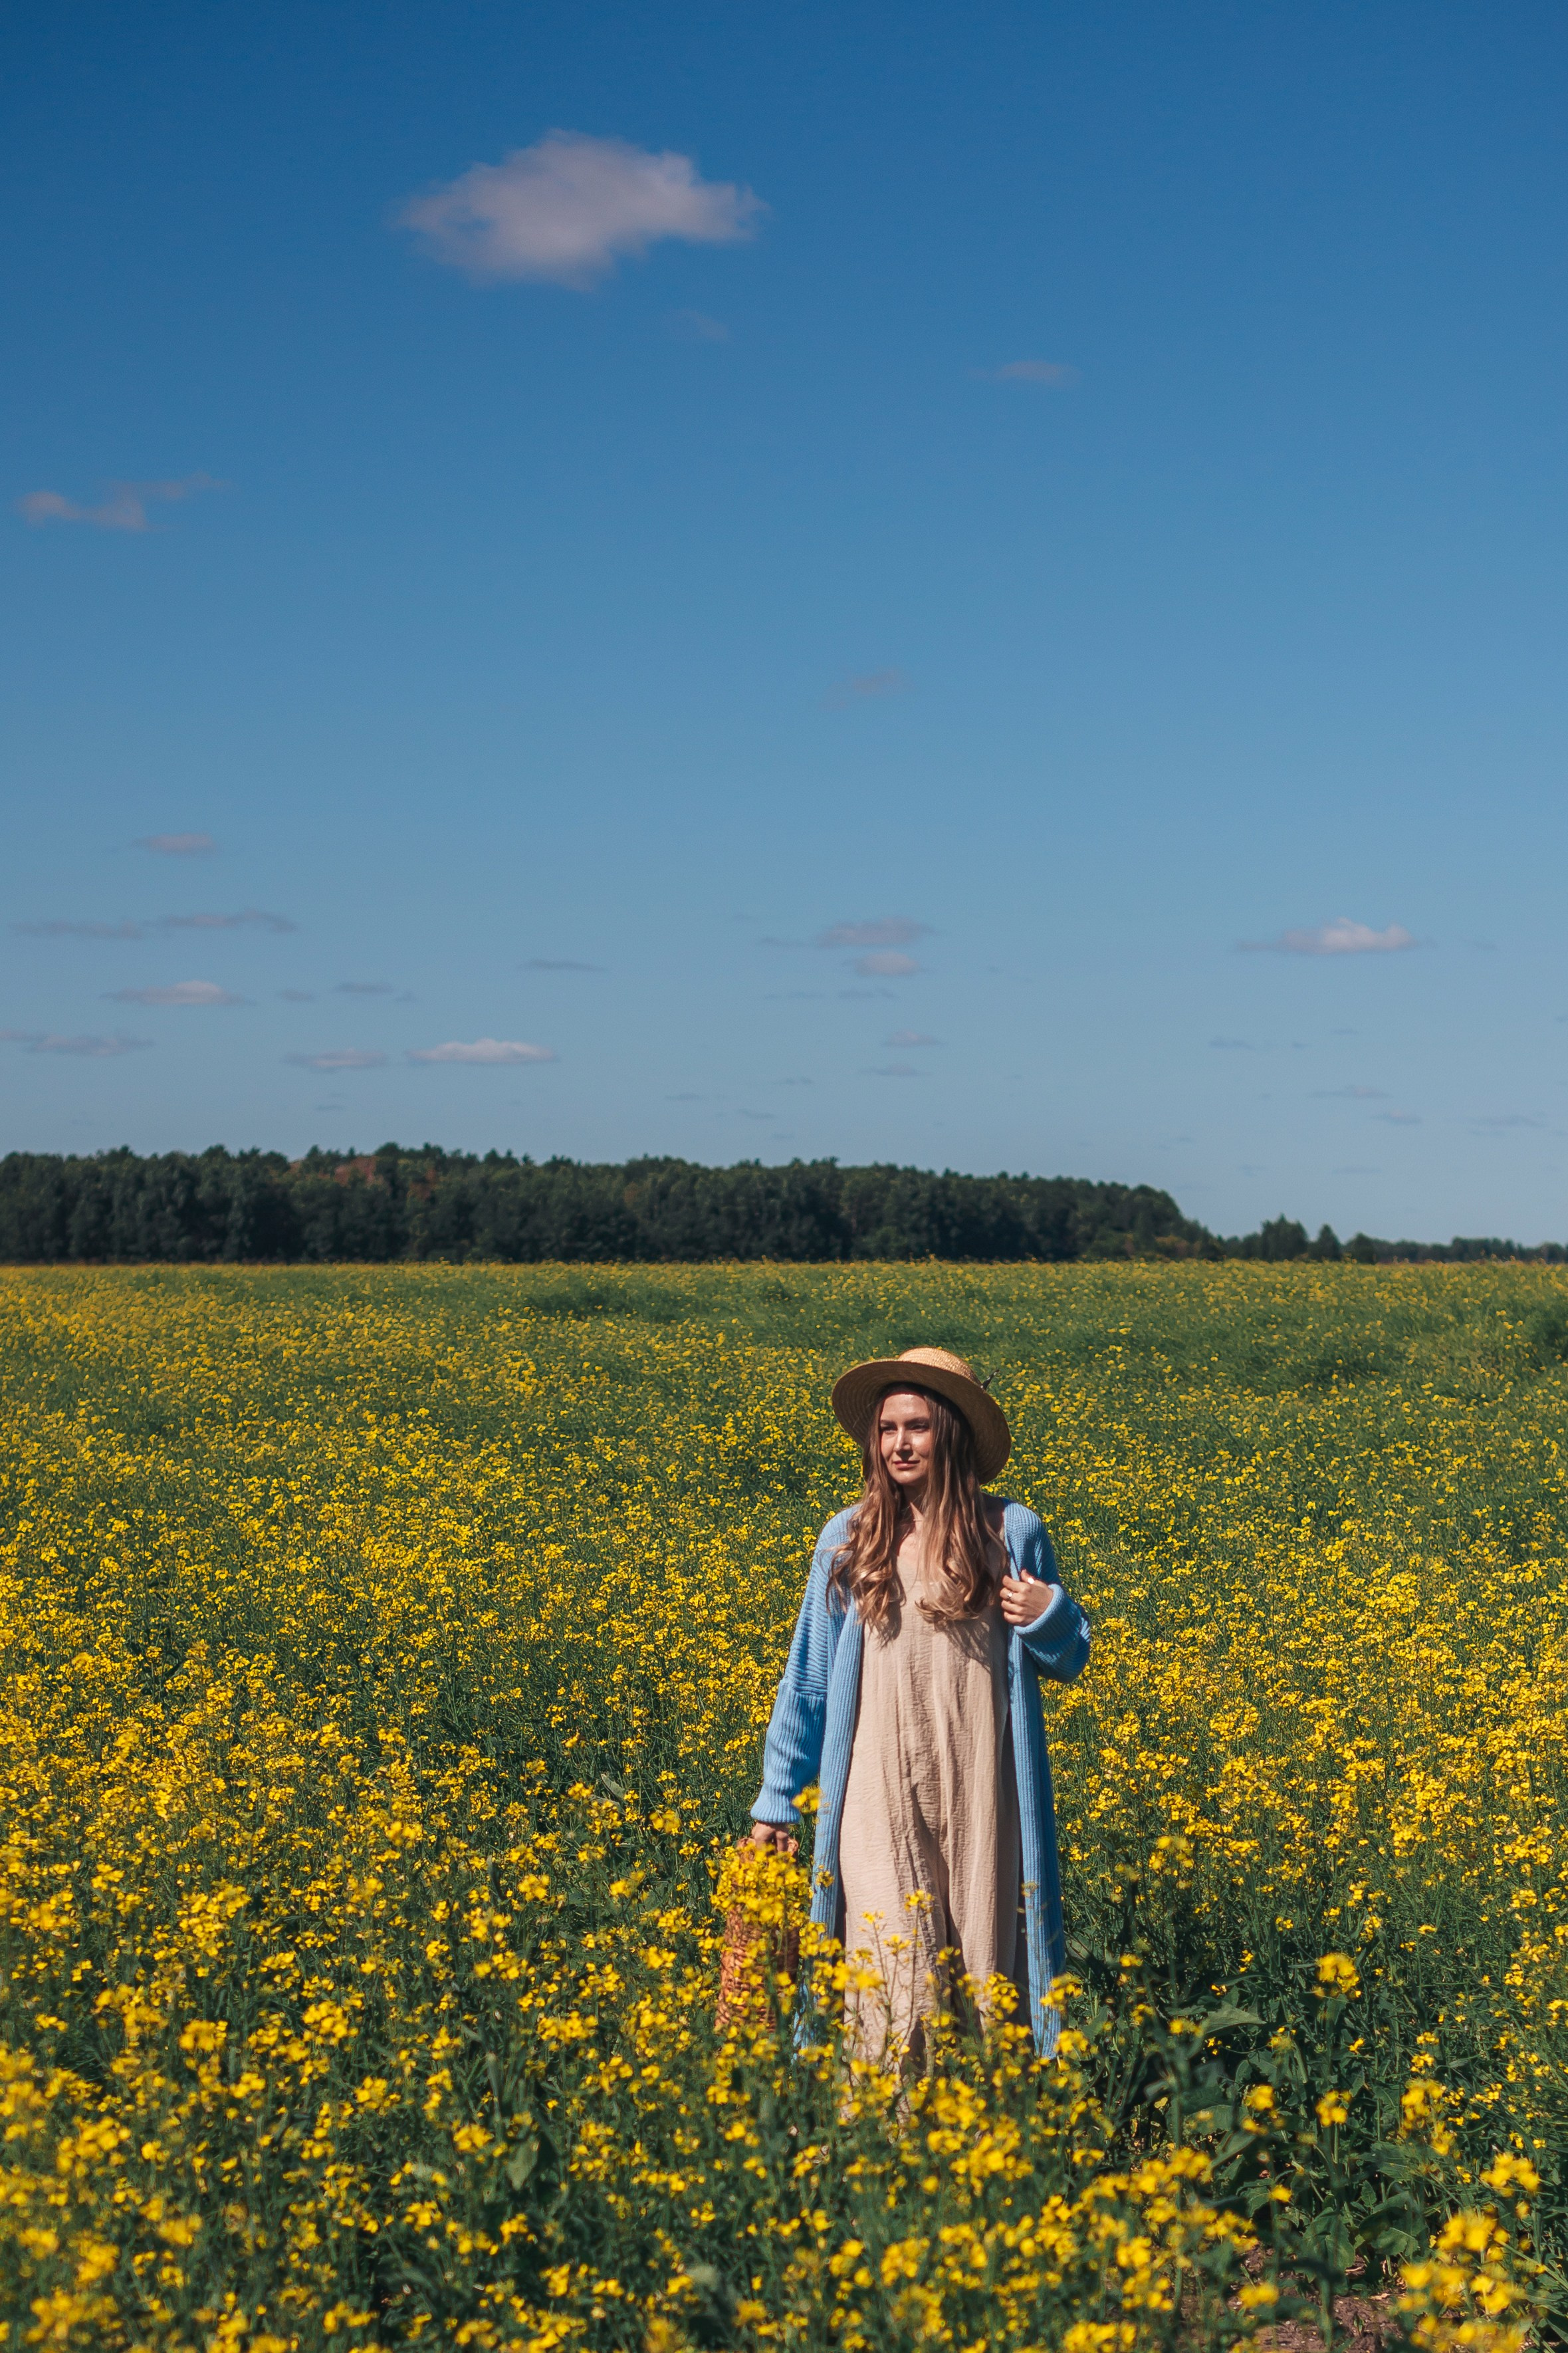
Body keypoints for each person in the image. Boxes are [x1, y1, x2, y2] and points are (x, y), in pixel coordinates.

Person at [749, 1346, 1089, 2060]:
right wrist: (776, 1800)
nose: (899, 1443)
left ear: (952, 1433)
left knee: (980, 1973)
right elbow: (807, 1679)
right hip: (876, 1792)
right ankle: (881, 2150)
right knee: (890, 1976)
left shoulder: (1011, 1530)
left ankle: (979, 2152)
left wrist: (1048, 1611)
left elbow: (1070, 1656)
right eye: (886, 1428)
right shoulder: (848, 1537)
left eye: (918, 1426)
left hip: (982, 1795)